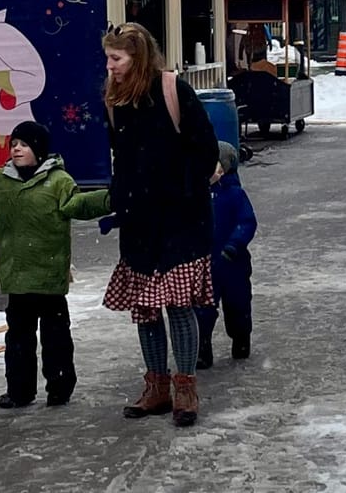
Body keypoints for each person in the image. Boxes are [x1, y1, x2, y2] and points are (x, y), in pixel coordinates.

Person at [97, 22, 217, 427]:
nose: (110, 66)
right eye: (108, 59)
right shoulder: (113, 99)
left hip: (181, 218)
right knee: (146, 309)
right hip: (139, 221)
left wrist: (180, 189)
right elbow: (121, 157)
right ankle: (157, 386)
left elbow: (205, 148)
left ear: (138, 56)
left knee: (179, 305)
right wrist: (123, 197)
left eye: (116, 58)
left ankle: (185, 387)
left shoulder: (172, 89)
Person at [0, 121, 109, 410]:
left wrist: (114, 198)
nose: (16, 149)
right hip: (18, 279)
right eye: (14, 144)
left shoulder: (59, 182)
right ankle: (19, 391)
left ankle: (60, 388)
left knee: (56, 338)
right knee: (18, 341)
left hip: (49, 277)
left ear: (38, 150)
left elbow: (81, 204)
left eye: (23, 144)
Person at [196, 141, 257, 369]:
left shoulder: (234, 195)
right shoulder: (197, 195)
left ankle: (241, 337)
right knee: (202, 309)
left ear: (224, 169)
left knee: (238, 304)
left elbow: (247, 221)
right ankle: (202, 347)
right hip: (204, 262)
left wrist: (235, 244)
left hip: (233, 263)